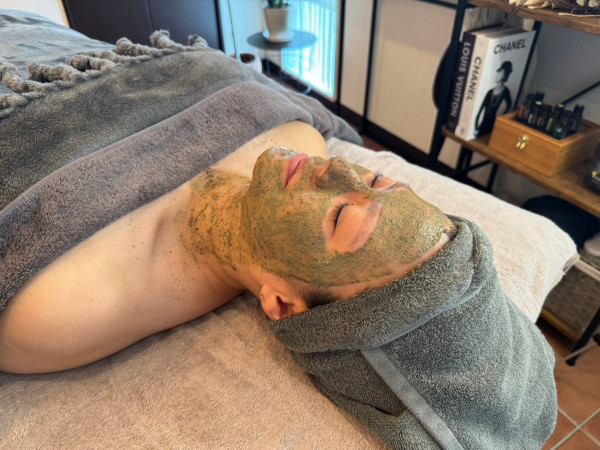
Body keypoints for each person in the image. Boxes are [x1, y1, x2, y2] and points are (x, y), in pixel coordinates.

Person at [0, 121, 454, 374]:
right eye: (377, 181)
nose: (337, 167)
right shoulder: (299, 137)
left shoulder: (59, 304)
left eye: (340, 216)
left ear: (283, 304)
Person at [474, 60, 513, 137]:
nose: (497, 74)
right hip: (483, 125)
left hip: (493, 126)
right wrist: (476, 127)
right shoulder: (490, 92)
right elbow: (480, 111)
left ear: (504, 74)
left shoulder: (505, 91)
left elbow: (509, 105)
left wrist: (501, 118)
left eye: (500, 72)